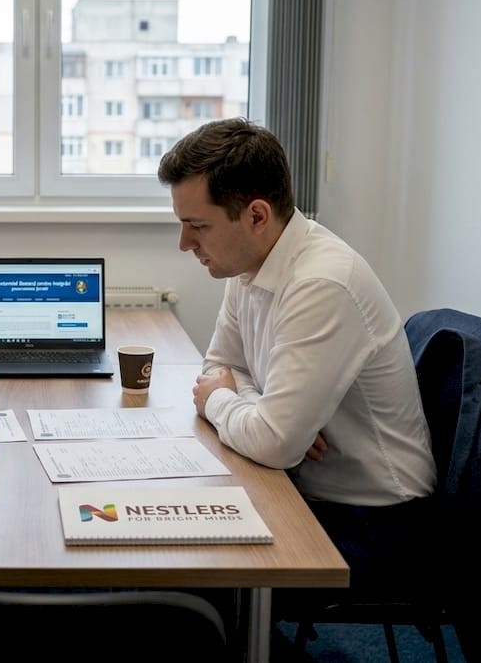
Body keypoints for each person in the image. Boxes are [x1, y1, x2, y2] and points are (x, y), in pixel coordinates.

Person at [158, 118, 437, 641]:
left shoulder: (321, 284)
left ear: (256, 215)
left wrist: (249, 416)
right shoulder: (249, 263)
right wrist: (261, 412)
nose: (183, 243)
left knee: (190, 576)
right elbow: (220, 367)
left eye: (197, 225)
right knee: (180, 545)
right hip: (303, 487)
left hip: (373, 523)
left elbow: (270, 437)